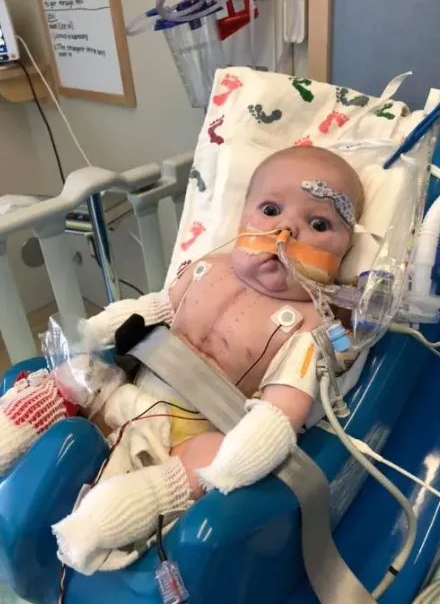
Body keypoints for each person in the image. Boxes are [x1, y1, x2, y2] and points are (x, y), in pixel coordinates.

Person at [0, 146, 364, 575]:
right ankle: (10, 432)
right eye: (270, 210)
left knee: (211, 455)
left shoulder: (311, 327)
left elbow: (280, 413)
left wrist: (239, 461)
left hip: (193, 431)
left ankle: (110, 515)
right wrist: (95, 332)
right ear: (242, 219)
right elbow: (157, 307)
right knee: (75, 373)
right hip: (130, 391)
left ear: (344, 252)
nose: (286, 230)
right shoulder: (209, 267)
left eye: (318, 224)